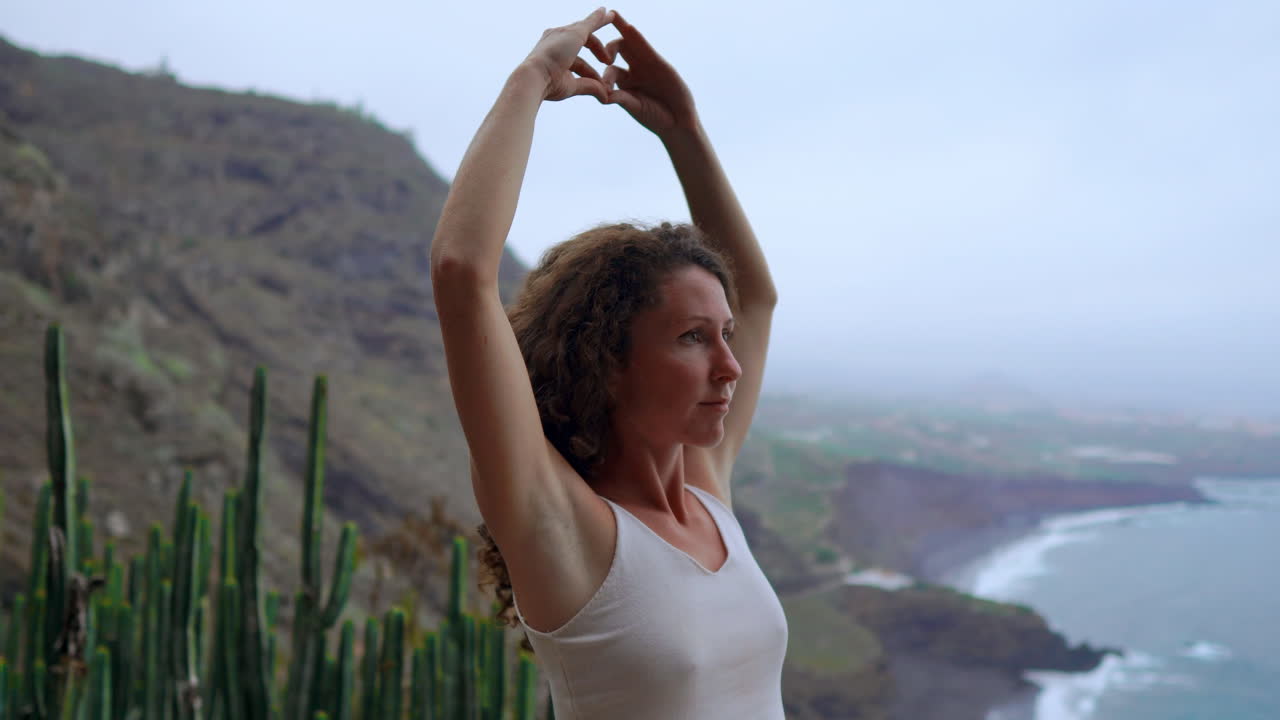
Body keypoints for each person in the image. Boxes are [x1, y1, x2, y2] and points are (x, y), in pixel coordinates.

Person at [429, 8, 786, 719]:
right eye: (692, 337)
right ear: (608, 361)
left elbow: (759, 298)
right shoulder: (564, 528)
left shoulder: (707, 494)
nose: (731, 365)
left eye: (724, 335)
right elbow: (462, 271)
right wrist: (531, 79)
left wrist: (682, 130)